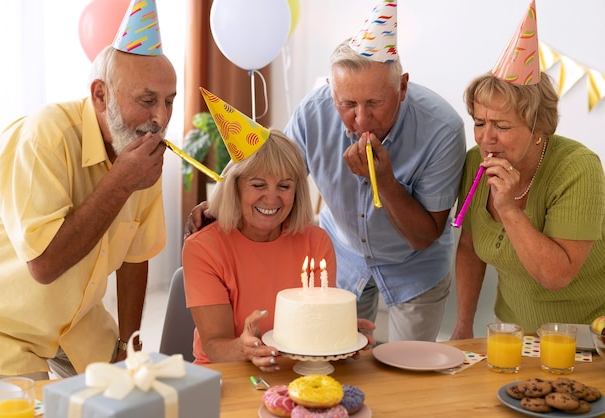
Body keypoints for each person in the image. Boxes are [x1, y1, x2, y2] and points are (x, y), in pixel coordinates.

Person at [187, 2, 466, 343]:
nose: (361, 120)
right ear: (331, 91)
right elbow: (271, 168)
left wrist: (387, 183)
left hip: (414, 267)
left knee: (408, 372)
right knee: (338, 357)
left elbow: (424, 237)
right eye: (347, 104)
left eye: (375, 104)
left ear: (403, 87)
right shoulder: (313, 113)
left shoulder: (442, 129)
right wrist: (220, 203)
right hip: (343, 256)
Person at [0, 0, 176, 383]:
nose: (162, 119)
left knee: (133, 396)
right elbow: (45, 265)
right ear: (100, 95)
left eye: (169, 101)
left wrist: (128, 348)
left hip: (77, 325)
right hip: (0, 328)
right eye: (147, 100)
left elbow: (136, 257)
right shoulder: (45, 137)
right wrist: (121, 181)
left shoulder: (140, 150)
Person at [183, 89, 375, 370]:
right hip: (228, 374)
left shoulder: (316, 242)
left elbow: (314, 330)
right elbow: (215, 346)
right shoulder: (203, 248)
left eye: (284, 186)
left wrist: (337, 336)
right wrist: (243, 347)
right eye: (258, 185)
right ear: (234, 185)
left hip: (300, 371)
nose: (272, 199)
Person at [450, 0, 605, 339]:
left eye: (502, 126)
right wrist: (463, 324)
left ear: (539, 127)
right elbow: (469, 246)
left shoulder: (579, 168)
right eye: (479, 122)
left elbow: (556, 276)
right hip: (514, 336)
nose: (486, 138)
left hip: (586, 338)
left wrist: (506, 207)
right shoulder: (476, 160)